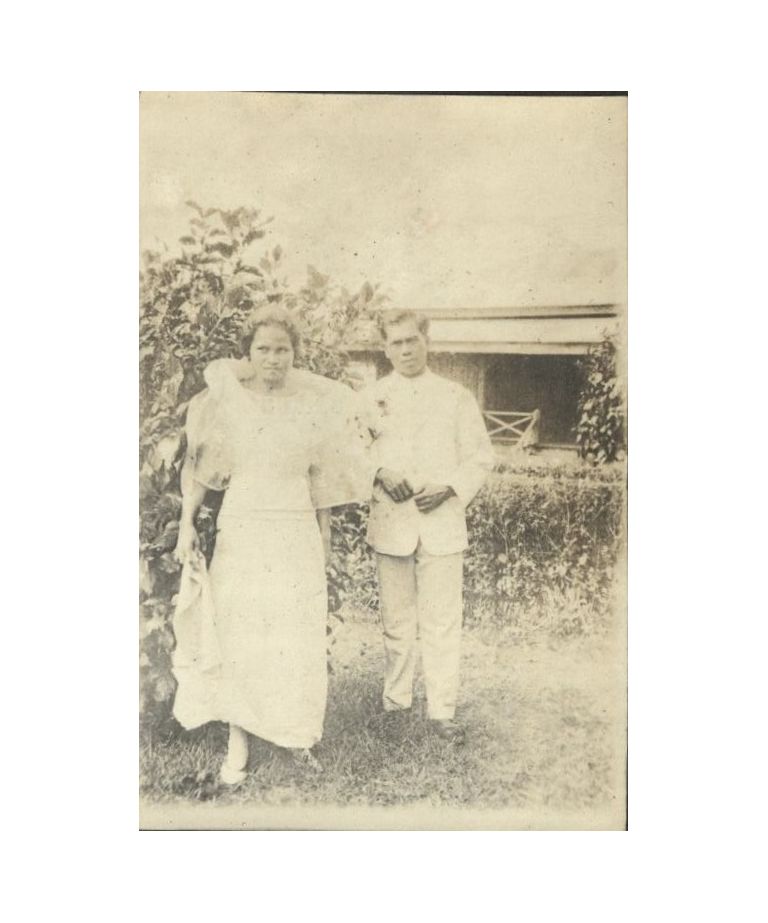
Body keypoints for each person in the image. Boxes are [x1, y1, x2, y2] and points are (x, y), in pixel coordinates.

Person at [172, 306, 366, 783]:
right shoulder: (231, 403)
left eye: (283, 349)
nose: (274, 358)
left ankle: (295, 734)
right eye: (263, 349)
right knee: (242, 628)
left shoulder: (312, 407)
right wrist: (186, 525)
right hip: (244, 526)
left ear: (295, 354)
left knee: (294, 630)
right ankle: (238, 739)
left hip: (295, 527)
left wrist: (323, 539)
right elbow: (203, 470)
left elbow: (322, 482)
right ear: (248, 354)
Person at [365, 309, 494, 743]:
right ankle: (396, 705)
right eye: (396, 342)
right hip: (392, 521)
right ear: (385, 349)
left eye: (412, 340)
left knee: (441, 620)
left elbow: (480, 456)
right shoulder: (371, 398)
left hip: (442, 522)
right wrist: (380, 471)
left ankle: (442, 711)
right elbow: (352, 453)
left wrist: (449, 487)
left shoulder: (455, 396)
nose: (405, 350)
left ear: (427, 341)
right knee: (396, 620)